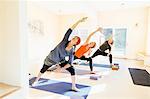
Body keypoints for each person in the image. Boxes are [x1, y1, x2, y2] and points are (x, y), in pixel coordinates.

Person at [31, 17, 88, 92]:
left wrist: (61, 69)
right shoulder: (64, 41)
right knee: (43, 69)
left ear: (75, 43)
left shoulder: (72, 51)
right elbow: (70, 30)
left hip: (60, 60)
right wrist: (79, 21)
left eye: (75, 39)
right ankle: (36, 80)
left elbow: (70, 63)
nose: (72, 39)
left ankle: (73, 86)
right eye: (73, 38)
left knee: (72, 69)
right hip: (51, 59)